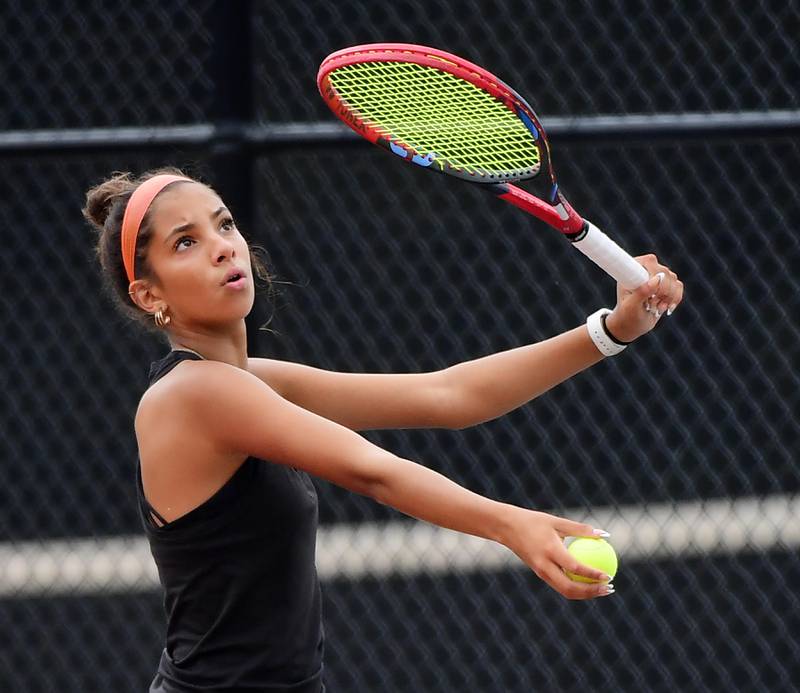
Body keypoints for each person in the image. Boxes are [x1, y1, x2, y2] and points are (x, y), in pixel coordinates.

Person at [83, 168, 683, 693]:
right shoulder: (193, 393)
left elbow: (449, 395)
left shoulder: (250, 380)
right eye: (186, 243)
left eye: (224, 225)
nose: (222, 248)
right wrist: (512, 525)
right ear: (148, 294)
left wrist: (611, 331)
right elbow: (370, 469)